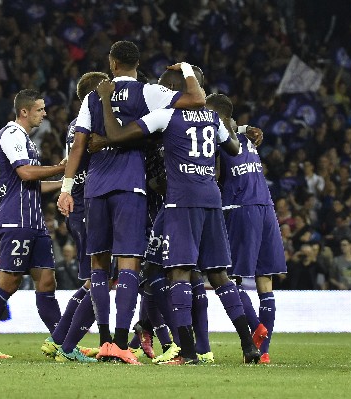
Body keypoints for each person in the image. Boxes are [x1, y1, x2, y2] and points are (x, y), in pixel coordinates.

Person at [93, 67, 260, 364]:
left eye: (165, 86)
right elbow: (233, 149)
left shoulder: (167, 115)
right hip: (211, 197)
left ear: (176, 88)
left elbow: (117, 134)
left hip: (181, 200)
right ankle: (249, 346)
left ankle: (187, 352)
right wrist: (237, 128)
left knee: (178, 273)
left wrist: (106, 100)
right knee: (219, 275)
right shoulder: (211, 116)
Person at [57, 41, 205, 365]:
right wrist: (187, 70)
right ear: (137, 63)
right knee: (128, 265)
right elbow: (196, 99)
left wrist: (67, 188)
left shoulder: (94, 95)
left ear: (111, 63)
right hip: (130, 187)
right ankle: (122, 344)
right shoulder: (149, 92)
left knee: (98, 265)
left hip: (95, 187)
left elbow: (79, 145)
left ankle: (105, 341)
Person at [0, 89, 65, 359]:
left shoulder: (27, 140)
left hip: (34, 221)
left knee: (47, 282)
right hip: (17, 220)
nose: (44, 114)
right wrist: (60, 168)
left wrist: (65, 183)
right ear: (24, 111)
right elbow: (25, 174)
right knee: (9, 282)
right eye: (40, 109)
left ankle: (60, 343)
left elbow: (34, 182)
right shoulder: (11, 134)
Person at [42, 71, 108, 364]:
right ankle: (67, 346)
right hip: (87, 207)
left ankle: (57, 340)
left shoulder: (74, 125)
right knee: (101, 279)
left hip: (79, 207)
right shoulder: (92, 124)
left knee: (92, 282)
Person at [216, 109, 287, 365]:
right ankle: (263, 351)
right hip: (266, 207)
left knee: (228, 278)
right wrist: (246, 128)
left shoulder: (218, 141)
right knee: (264, 280)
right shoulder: (244, 138)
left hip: (240, 208)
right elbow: (237, 126)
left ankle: (256, 326)